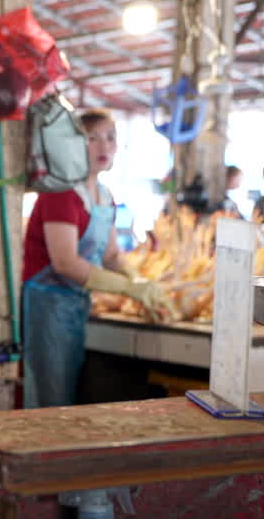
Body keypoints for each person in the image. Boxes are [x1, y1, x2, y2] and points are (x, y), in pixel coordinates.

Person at [21, 110, 175, 409]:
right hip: (47, 306)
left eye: (110, 138)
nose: (103, 146)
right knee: (49, 398)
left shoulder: (104, 196)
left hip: (76, 304)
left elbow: (111, 255)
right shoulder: (61, 192)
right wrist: (126, 288)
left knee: (69, 393)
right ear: (73, 145)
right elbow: (65, 263)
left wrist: (139, 280)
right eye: (92, 138)